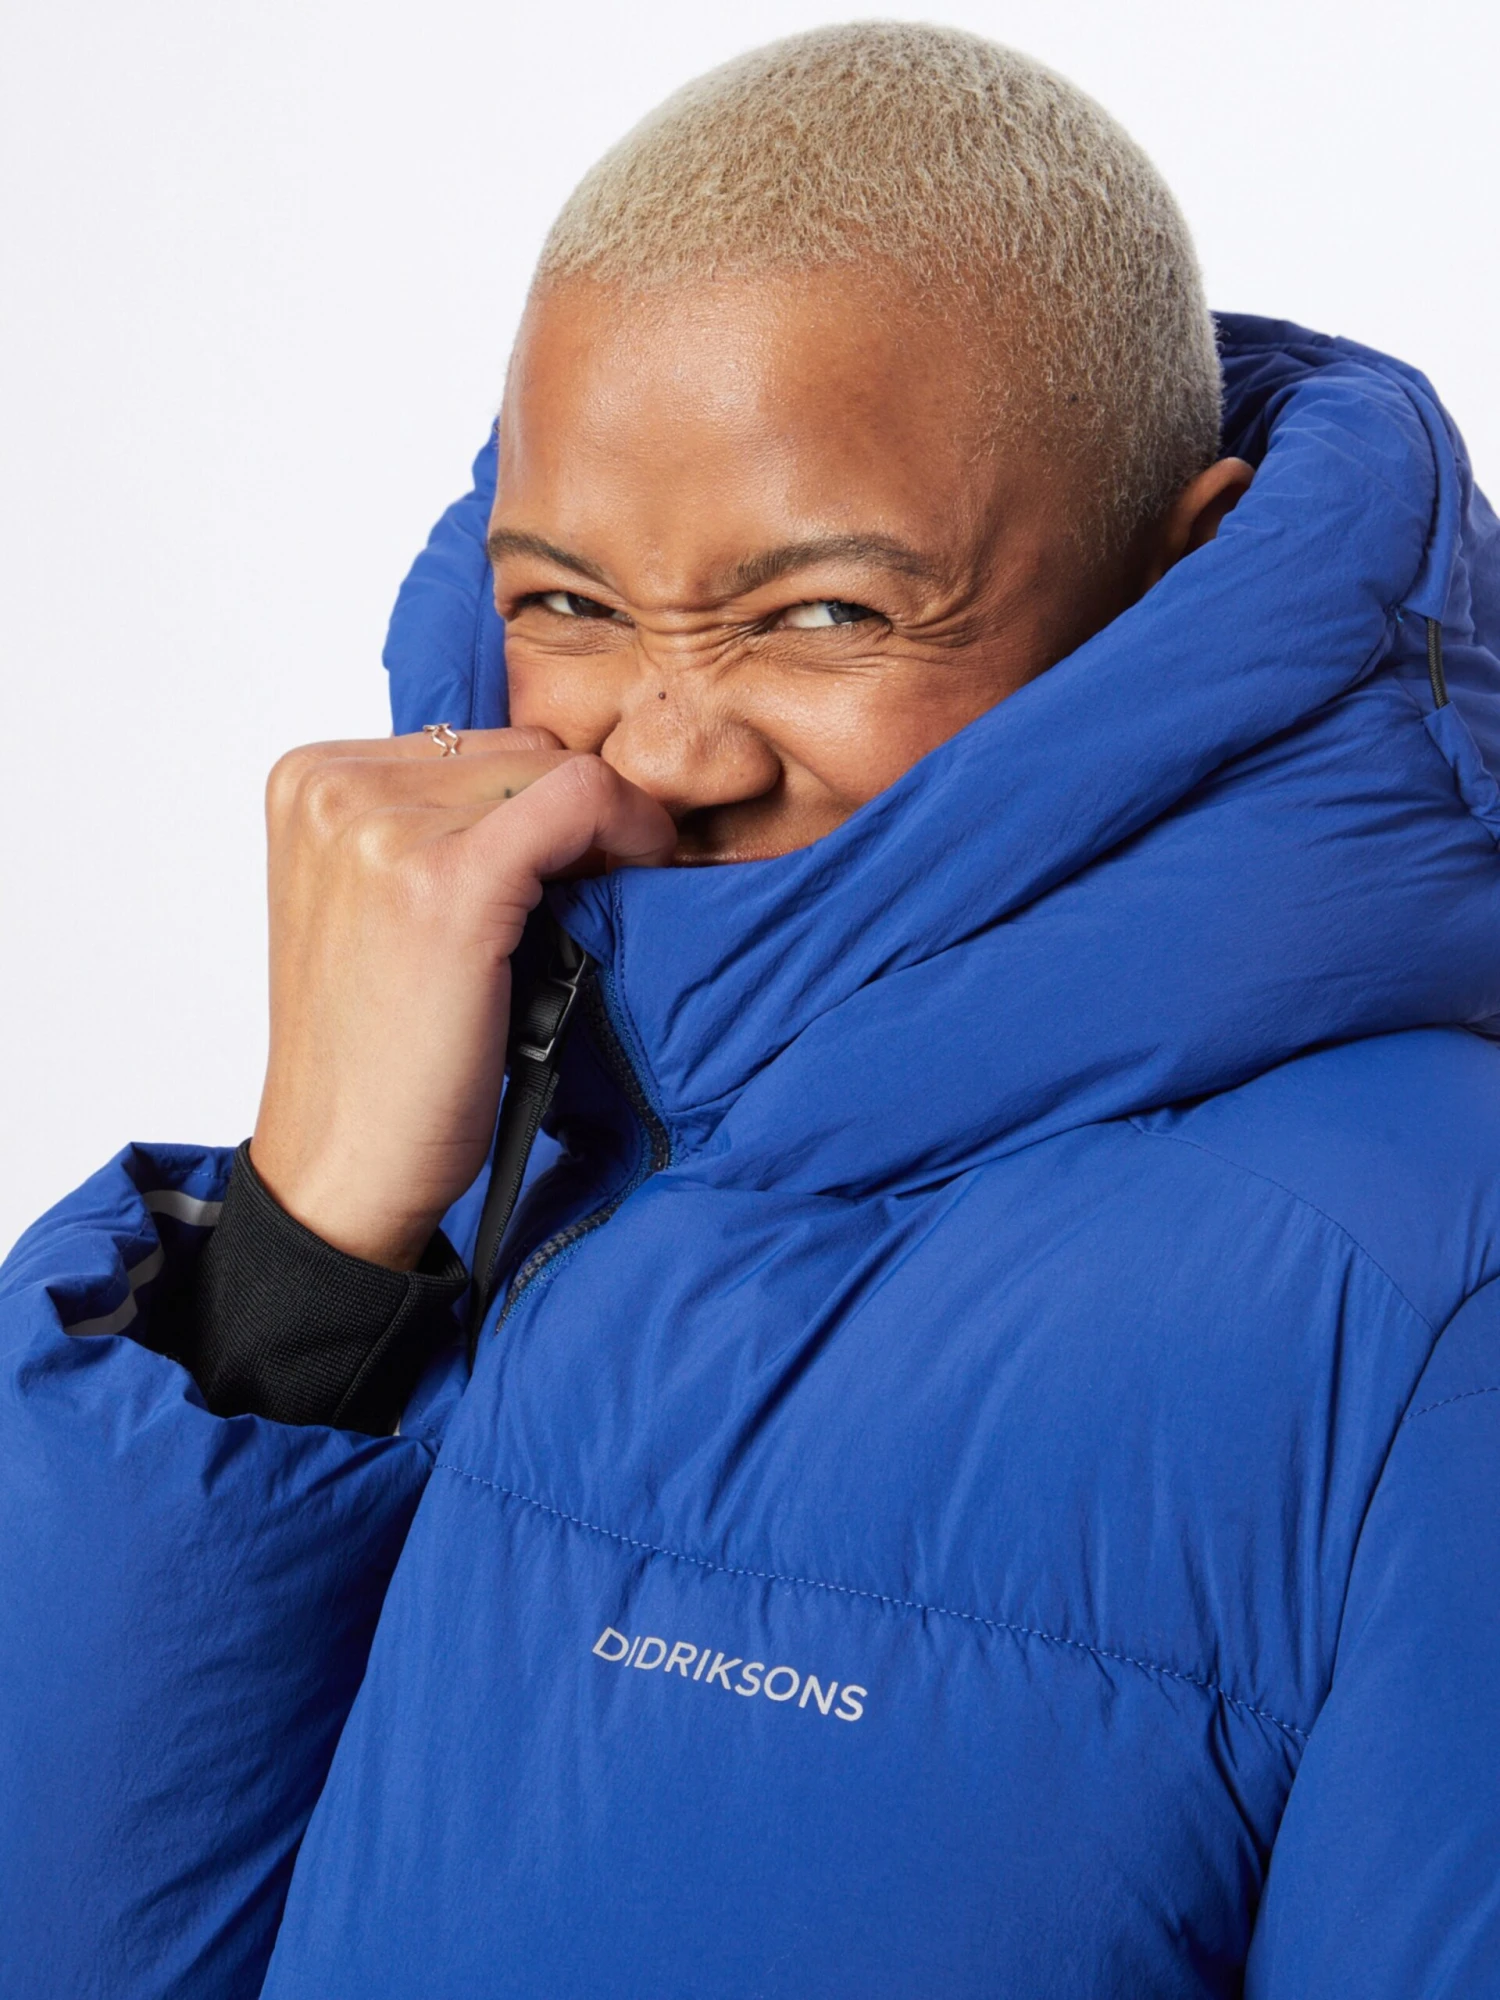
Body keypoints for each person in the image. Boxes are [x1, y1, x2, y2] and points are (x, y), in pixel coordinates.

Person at [3, 20, 1499, 1997]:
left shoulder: (1430, 1294)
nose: (666, 745)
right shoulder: (489, 1122)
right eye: (568, 603)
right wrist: (301, 1250)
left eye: (822, 614)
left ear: (1182, 567)